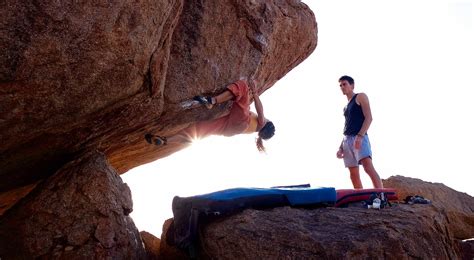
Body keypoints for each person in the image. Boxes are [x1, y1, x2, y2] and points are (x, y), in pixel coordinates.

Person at [145, 77, 275, 152]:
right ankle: (166, 140)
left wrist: (255, 91)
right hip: (229, 130)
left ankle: (213, 101)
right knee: (197, 131)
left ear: (266, 125)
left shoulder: (262, 123)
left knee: (243, 87)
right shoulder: (253, 130)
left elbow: (260, 110)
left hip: (240, 122)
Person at [336, 75, 383, 189]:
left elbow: (369, 118)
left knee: (368, 167)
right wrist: (341, 147)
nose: (342, 87)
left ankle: (381, 196)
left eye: (345, 84)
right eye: (340, 85)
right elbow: (347, 126)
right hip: (347, 140)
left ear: (352, 85)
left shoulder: (360, 97)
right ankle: (360, 198)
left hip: (359, 137)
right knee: (353, 174)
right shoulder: (345, 107)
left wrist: (360, 136)